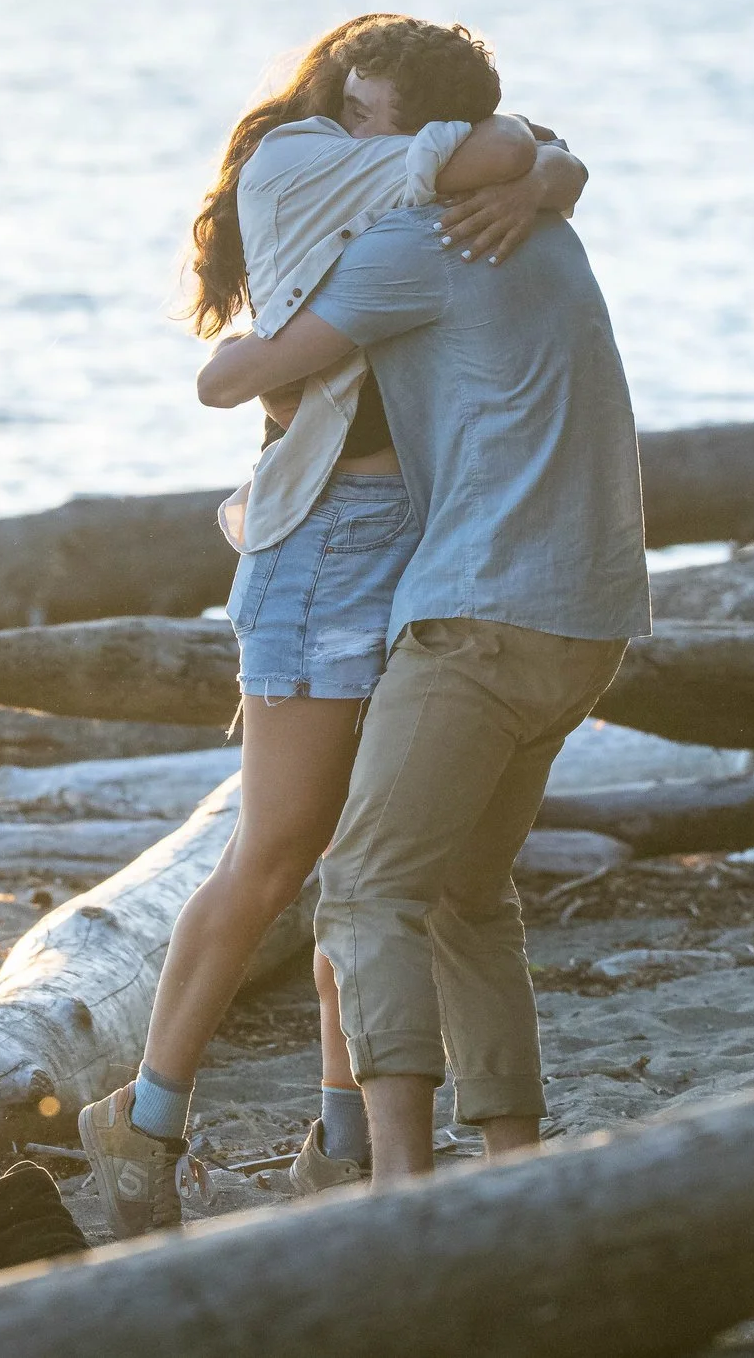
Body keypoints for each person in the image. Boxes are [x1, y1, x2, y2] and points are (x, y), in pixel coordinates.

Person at [77, 15, 588, 1236]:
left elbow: (523, 153)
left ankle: (342, 1132)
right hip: (322, 548)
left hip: (420, 540)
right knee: (280, 847)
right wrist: (542, 168)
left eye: (394, 115)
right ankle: (145, 1117)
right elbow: (502, 151)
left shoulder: (406, 172)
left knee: (378, 851)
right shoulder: (303, 155)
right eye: (365, 104)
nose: (379, 131)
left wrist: (554, 171)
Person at [181, 125, 647, 1186]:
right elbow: (552, 149)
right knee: (469, 897)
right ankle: (512, 1170)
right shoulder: (550, 230)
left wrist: (234, 354)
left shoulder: (411, 247)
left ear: (436, 136)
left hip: (477, 617)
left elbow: (235, 378)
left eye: (373, 120)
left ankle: (399, 1183)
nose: (358, 142)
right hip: (589, 619)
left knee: (360, 886)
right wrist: (546, 178)